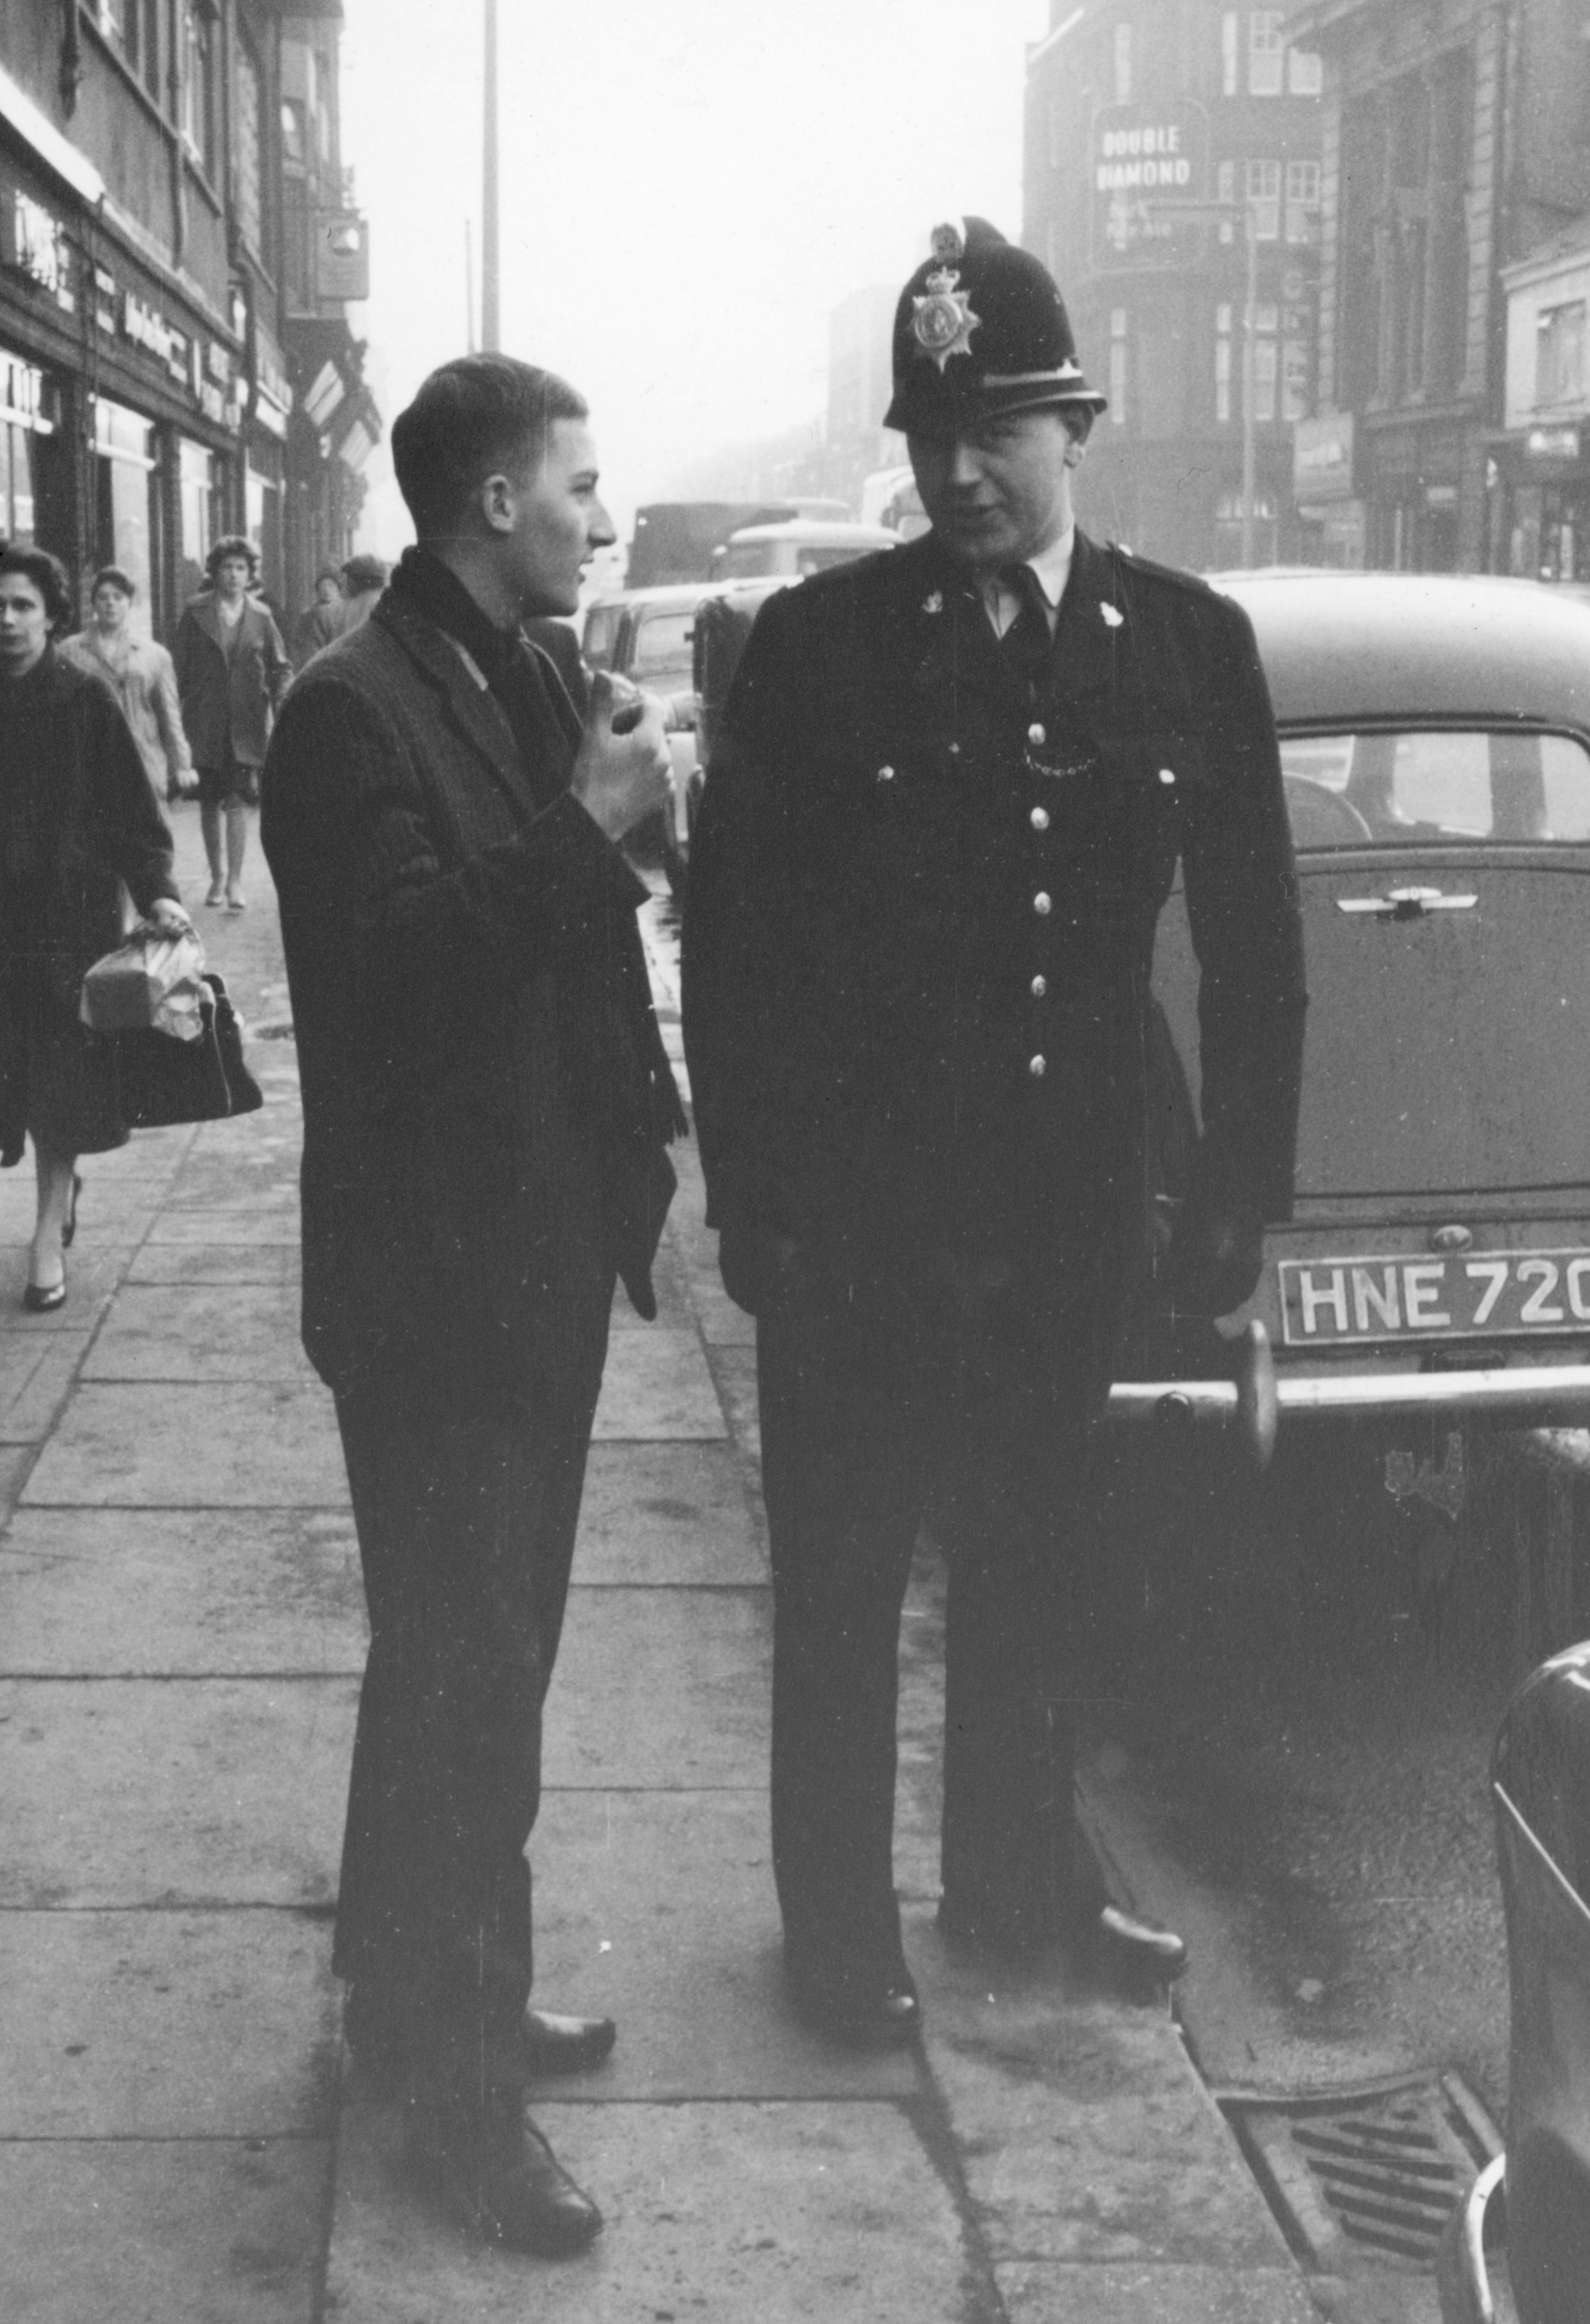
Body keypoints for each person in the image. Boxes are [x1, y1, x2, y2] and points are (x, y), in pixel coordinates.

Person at [682, 217, 1308, 2046]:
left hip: (1061, 1215)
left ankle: (1014, 1885)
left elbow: (1254, 945)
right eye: (929, 438)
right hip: (857, 1221)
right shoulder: (817, 645)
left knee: (1036, 1558)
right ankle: (836, 1933)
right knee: (843, 1579)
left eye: (996, 434)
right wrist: (752, 1199)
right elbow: (734, 947)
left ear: (1075, 426)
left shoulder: (1185, 643)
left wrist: (1235, 1194)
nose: (956, 473)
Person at [260, 355, 681, 2255]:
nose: (602, 514)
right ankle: (458, 2097)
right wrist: (586, 826)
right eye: (579, 485)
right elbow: (408, 976)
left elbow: (564, 943)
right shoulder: (346, 709)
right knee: (472, 1685)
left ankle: (411, 1993)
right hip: (436, 1287)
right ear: (494, 501)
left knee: (456, 1659)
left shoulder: (515, 672)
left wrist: (628, 821)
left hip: (535, 1257)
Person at [0, 545, 195, 1309]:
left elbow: (129, 812)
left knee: (58, 1080)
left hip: (66, 923)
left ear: (51, 615)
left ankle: (46, 1235)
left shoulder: (84, 700)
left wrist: (157, 893)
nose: (7, 619)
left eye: (21, 604)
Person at [172, 535, 289, 912]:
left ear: (250, 574)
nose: (234, 575)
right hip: (205, 721)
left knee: (237, 799)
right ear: (215, 571)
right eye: (227, 567)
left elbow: (280, 667)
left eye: (241, 568)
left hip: (246, 722)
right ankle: (217, 876)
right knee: (209, 800)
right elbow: (177, 668)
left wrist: (284, 702)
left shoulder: (261, 616)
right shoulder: (196, 612)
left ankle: (236, 880)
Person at [60, 565, 197, 806]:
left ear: (129, 602)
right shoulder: (70, 651)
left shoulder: (154, 655)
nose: (110, 604)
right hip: (90, 757)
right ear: (93, 603)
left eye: (118, 597)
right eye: (103, 597)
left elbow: (169, 715)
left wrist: (182, 764)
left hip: (142, 757)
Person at [291, 567, 346, 669]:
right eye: (322, 586)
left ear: (338, 589)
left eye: (331, 586)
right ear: (317, 591)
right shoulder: (309, 615)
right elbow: (304, 647)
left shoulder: (347, 611)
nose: (326, 590)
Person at [336, 552, 388, 636]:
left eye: (346, 578)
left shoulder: (349, 607)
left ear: (353, 580)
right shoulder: (388, 602)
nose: (343, 583)